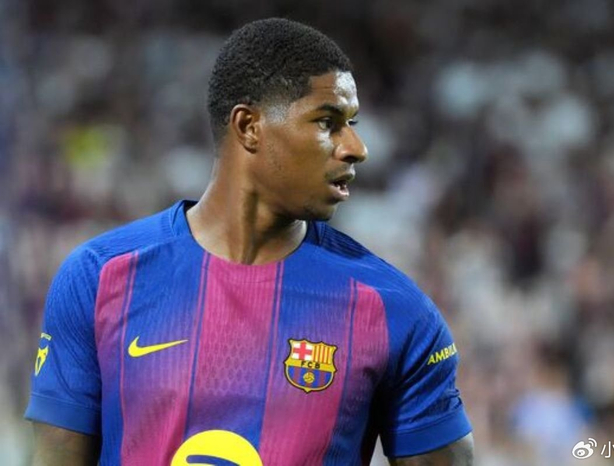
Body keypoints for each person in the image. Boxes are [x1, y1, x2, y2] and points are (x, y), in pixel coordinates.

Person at [25, 18, 474, 466]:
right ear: (248, 126)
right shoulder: (99, 277)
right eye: (328, 122)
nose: (357, 147)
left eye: (351, 123)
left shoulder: (395, 310)